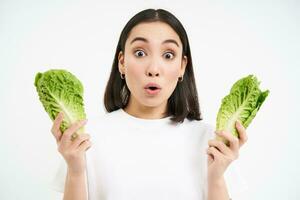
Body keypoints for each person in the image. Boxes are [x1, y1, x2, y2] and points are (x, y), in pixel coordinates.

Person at [50, 8, 248, 200]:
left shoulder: (211, 141)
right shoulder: (85, 138)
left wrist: (216, 179)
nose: (153, 69)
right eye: (140, 53)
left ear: (182, 66)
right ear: (121, 62)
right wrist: (75, 172)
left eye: (168, 55)